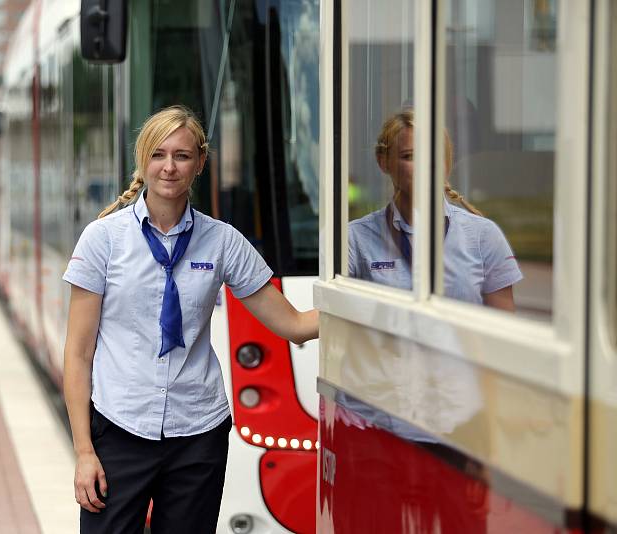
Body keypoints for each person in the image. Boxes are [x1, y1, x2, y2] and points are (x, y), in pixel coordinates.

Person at [62, 105, 319, 534]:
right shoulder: (103, 238)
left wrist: (368, 306)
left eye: (181, 156)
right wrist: (84, 452)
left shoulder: (222, 241)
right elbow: (77, 352)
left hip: (198, 431)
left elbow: (291, 323)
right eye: (158, 154)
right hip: (120, 427)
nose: (169, 167)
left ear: (199, 163)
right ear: (143, 162)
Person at [348, 108, 522, 310]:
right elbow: (313, 322)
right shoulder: (356, 238)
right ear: (383, 162)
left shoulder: (483, 235)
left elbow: (502, 327)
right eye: (409, 156)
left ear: (446, 164)